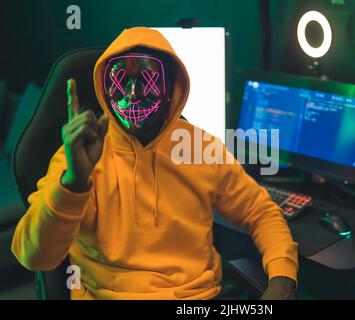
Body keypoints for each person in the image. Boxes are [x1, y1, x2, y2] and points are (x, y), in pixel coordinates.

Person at [11, 27, 298, 300]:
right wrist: (72, 184)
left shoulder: (201, 148)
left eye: (147, 80)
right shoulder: (80, 157)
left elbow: (261, 213)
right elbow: (35, 257)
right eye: (121, 80)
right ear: (104, 88)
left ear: (172, 86)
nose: (133, 94)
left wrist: (282, 279)